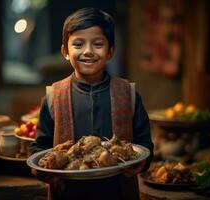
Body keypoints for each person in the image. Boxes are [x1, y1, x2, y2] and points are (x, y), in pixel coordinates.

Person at [30, 7, 154, 200]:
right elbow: (39, 148)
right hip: (66, 193)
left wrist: (142, 163)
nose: (88, 52)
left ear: (110, 51)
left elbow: (144, 144)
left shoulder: (128, 94)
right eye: (78, 44)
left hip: (118, 192)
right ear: (65, 51)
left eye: (97, 44)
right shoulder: (53, 96)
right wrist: (44, 171)